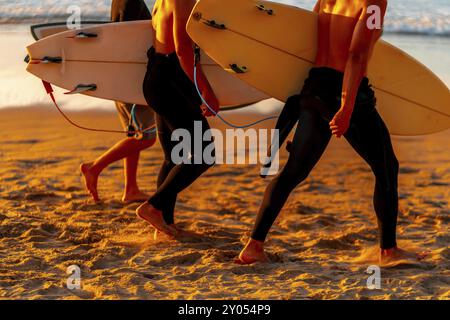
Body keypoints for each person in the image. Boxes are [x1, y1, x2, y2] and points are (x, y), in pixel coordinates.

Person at [239, 0, 425, 265]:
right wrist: (347, 107)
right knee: (386, 167)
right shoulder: (374, 3)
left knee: (294, 172)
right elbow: (356, 55)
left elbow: (306, 41)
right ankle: (388, 250)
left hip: (314, 86)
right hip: (344, 92)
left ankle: (253, 247)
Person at [136, 0, 219, 237]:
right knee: (205, 154)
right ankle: (153, 206)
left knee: (174, 157)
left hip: (156, 78)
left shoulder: (161, 1)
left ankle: (164, 223)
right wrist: (206, 91)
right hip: (171, 83)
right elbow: (182, 50)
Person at [80, 0, 156, 204]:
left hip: (121, 78)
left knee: (133, 134)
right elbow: (126, 41)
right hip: (131, 80)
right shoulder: (130, 1)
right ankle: (94, 167)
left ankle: (131, 188)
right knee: (147, 137)